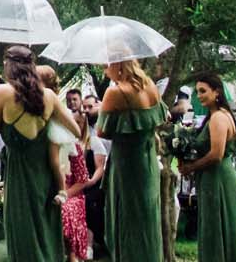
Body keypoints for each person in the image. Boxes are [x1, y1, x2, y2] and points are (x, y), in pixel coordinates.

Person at [0, 45, 82, 262]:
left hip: (19, 181)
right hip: (46, 179)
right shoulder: (49, 96)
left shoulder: (2, 93)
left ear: (8, 66)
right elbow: (76, 131)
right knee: (45, 235)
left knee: (23, 237)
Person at [96, 58, 163, 262]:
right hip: (148, 160)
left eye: (106, 65)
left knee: (126, 217)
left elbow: (101, 132)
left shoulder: (115, 92)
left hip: (126, 163)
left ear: (118, 64)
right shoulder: (150, 85)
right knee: (147, 216)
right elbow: (156, 121)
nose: (104, 70)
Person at [178, 73, 236, 262]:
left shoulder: (218, 118)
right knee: (213, 224)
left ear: (216, 92)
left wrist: (192, 167)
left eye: (203, 91)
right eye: (197, 92)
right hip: (213, 177)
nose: (199, 96)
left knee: (217, 225)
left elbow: (216, 154)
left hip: (218, 178)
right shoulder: (215, 115)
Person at [61, 104, 93, 262]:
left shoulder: (75, 148)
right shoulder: (48, 146)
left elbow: (82, 180)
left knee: (66, 209)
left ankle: (73, 255)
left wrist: (65, 194)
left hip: (73, 194)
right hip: (52, 193)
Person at [81, 94, 109, 254]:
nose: (86, 111)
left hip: (99, 177)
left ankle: (90, 244)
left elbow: (101, 166)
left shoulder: (97, 136)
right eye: (84, 107)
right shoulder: (83, 135)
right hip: (80, 181)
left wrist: (89, 181)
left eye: (90, 107)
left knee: (90, 201)